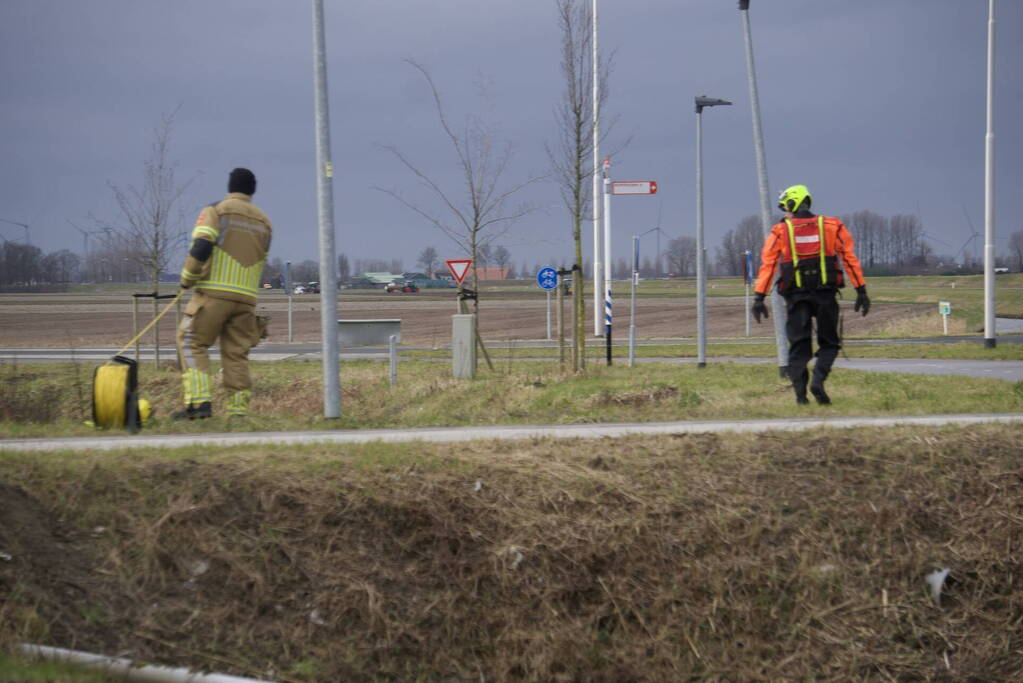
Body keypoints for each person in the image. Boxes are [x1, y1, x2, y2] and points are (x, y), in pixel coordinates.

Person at [751, 184, 869, 405]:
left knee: (798, 347)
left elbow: (768, 264)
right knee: (830, 343)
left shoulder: (780, 231)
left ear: (793, 204)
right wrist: (861, 290)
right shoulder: (832, 226)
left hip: (796, 298)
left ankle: (801, 397)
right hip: (825, 295)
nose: (784, 212)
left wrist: (759, 297)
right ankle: (819, 380)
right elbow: (849, 259)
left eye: (785, 206)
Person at [174, 168, 272, 419]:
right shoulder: (264, 222)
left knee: (191, 342)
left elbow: (202, 245)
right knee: (236, 354)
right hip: (246, 299)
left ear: (230, 187)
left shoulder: (216, 211)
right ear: (253, 190)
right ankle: (238, 412)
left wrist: (187, 278)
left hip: (213, 295)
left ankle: (198, 404)